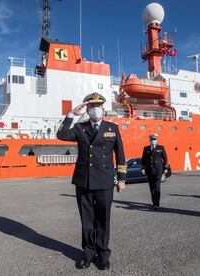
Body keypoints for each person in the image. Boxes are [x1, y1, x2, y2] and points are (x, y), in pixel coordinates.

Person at [57, 92, 126, 270]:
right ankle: (88, 254)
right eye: (91, 106)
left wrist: (121, 179)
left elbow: (120, 155)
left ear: (103, 108)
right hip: (84, 181)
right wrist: (72, 114)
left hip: (104, 182)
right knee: (87, 221)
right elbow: (62, 135)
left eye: (98, 106)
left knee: (103, 220)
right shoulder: (80, 128)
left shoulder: (112, 128)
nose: (95, 109)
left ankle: (103, 255)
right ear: (87, 110)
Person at [141, 133, 169, 209]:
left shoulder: (161, 148)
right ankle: (154, 202)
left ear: (157, 140)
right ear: (149, 140)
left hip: (158, 170)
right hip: (149, 171)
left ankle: (157, 204)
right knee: (151, 187)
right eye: (152, 139)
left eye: (155, 139)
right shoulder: (146, 148)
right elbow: (143, 160)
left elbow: (165, 159)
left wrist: (166, 168)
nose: (153, 141)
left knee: (157, 186)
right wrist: (143, 168)